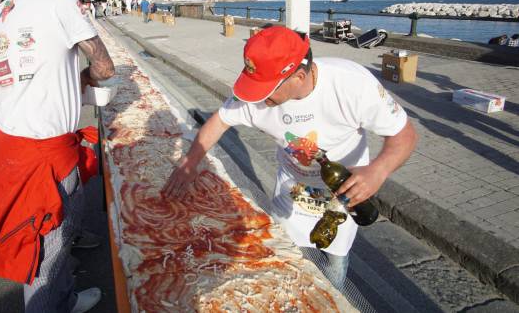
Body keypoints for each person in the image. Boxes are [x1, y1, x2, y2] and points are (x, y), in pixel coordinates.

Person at [163, 26, 417, 291]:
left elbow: (405, 135)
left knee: (335, 262)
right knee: (285, 254)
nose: (258, 97)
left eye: (267, 88)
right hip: (292, 187)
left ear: (298, 76)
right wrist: (191, 161)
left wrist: (378, 170)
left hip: (341, 192)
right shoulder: (255, 97)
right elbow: (219, 121)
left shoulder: (352, 84)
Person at [0, 0, 115, 313]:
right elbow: (105, 67)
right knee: (47, 253)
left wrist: (36, 92)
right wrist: (80, 81)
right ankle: (51, 304)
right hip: (47, 155)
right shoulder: (61, 1)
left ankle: (64, 297)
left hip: (9, 152)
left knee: (36, 240)